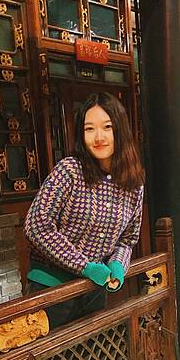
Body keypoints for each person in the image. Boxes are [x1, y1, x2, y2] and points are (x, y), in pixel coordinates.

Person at [22, 91, 145, 329]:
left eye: (107, 127)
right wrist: (84, 266)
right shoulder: (69, 171)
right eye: (89, 129)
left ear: (120, 130)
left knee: (92, 350)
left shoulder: (133, 184)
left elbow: (127, 240)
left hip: (94, 290)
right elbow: (36, 226)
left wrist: (118, 265)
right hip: (51, 289)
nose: (98, 137)